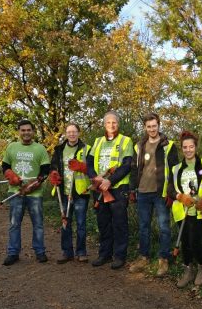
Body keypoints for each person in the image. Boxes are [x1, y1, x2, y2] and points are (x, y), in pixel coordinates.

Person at [129, 113, 179, 276]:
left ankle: (163, 260)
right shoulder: (139, 146)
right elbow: (134, 169)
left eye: (154, 126)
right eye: (148, 126)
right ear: (145, 127)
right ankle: (143, 257)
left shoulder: (168, 145)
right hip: (143, 192)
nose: (152, 129)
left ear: (159, 125)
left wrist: (171, 192)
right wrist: (132, 189)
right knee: (144, 227)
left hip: (161, 193)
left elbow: (174, 171)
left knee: (164, 227)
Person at [167, 131, 202, 288]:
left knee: (195, 241)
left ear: (196, 147)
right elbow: (169, 188)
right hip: (182, 211)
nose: (188, 150)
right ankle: (188, 269)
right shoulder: (176, 169)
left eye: (191, 146)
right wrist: (179, 197)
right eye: (185, 147)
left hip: (200, 211)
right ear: (182, 149)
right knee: (185, 242)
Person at [87, 111, 133, 269]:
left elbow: (127, 165)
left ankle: (119, 256)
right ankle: (104, 254)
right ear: (104, 124)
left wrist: (110, 180)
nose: (111, 125)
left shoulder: (126, 140)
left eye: (114, 122)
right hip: (99, 188)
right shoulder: (98, 141)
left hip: (118, 189)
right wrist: (95, 178)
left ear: (118, 124)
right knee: (103, 222)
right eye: (108, 123)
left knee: (119, 222)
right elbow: (89, 161)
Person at [1, 120, 51, 266]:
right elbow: (5, 165)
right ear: (19, 132)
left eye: (28, 130)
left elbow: (45, 170)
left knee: (38, 224)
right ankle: (13, 253)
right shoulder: (11, 147)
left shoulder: (40, 149)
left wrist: (35, 183)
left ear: (33, 131)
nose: (26, 133)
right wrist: (10, 175)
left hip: (35, 195)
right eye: (23, 130)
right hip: (15, 193)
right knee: (14, 224)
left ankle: (40, 251)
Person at [49, 123, 92, 264]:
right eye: (69, 132)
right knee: (65, 223)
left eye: (74, 131)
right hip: (64, 191)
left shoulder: (86, 149)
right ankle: (67, 252)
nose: (72, 134)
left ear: (79, 133)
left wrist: (83, 167)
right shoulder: (59, 149)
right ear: (66, 134)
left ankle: (81, 252)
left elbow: (93, 168)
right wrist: (54, 173)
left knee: (80, 224)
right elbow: (53, 166)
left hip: (80, 192)